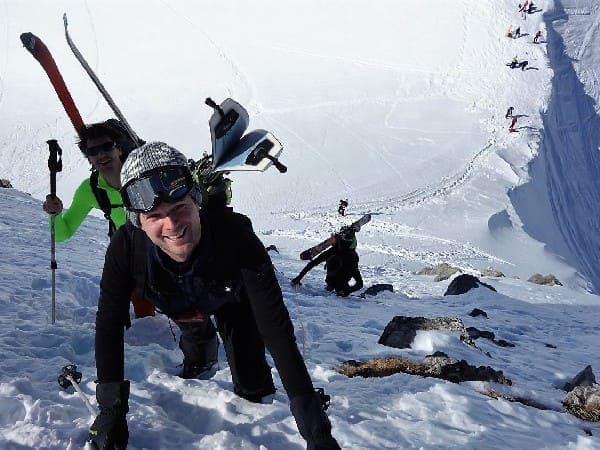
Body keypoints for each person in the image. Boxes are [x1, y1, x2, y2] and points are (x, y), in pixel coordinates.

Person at [88, 142, 340, 450]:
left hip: (231, 301)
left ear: (196, 201)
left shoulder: (236, 237)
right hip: (176, 302)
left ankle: (248, 386)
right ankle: (201, 351)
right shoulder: (126, 248)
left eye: (180, 208)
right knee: (197, 348)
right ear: (137, 221)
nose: (172, 225)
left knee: (253, 379)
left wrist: (316, 432)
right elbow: (109, 324)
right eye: (155, 216)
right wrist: (111, 409)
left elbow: (276, 332)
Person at [42, 122, 218, 375]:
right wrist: (55, 215)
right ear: (88, 157)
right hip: (131, 257)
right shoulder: (90, 189)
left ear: (118, 147)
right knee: (142, 311)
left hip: (166, 247)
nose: (101, 155)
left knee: (186, 304)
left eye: (106, 147)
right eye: (93, 151)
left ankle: (201, 355)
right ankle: (150, 357)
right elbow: (63, 233)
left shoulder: (142, 175)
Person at [291, 227, 363, 297]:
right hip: (337, 284)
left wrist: (299, 277)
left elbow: (313, 263)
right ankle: (335, 286)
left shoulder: (336, 251)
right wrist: (347, 290)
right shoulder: (350, 255)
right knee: (337, 262)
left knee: (337, 262)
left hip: (336, 283)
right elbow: (359, 284)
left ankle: (334, 286)